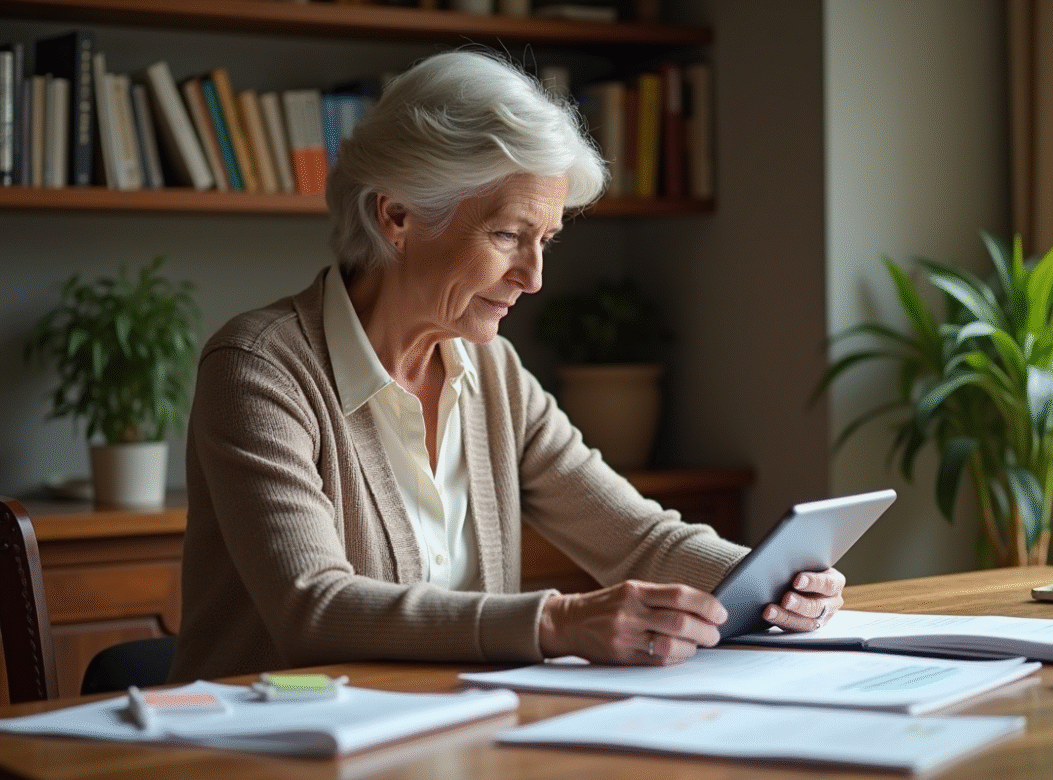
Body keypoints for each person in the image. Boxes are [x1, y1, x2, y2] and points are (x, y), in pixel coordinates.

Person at [169, 50, 844, 683]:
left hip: (450, 737)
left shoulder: (494, 373)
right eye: (508, 235)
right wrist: (557, 621)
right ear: (398, 214)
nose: (534, 276)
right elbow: (313, 610)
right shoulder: (259, 369)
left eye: (545, 239)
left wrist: (772, 580)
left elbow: (635, 539)